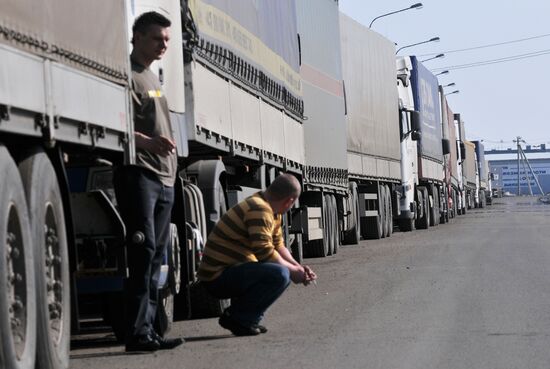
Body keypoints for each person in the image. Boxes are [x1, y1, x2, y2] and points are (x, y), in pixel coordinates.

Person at [113, 11, 183, 352]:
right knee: (143, 255)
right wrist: (148, 144)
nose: (164, 45)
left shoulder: (152, 77)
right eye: (157, 38)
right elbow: (117, 124)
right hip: (139, 173)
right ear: (136, 37)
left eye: (167, 39)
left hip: (164, 177)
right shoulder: (126, 75)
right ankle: (136, 334)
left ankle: (152, 330)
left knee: (156, 258)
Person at [197, 173, 317, 336]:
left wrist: (298, 268)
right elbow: (265, 253)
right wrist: (293, 272)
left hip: (231, 270)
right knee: (280, 274)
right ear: (289, 201)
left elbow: (278, 245)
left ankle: (248, 319)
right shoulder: (260, 209)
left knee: (284, 271)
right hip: (216, 277)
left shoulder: (271, 209)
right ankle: (239, 318)